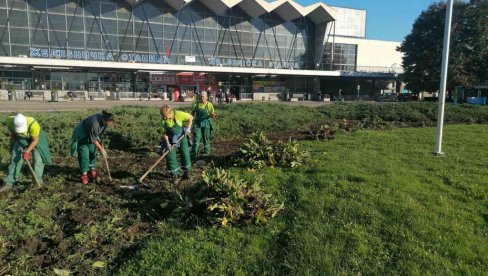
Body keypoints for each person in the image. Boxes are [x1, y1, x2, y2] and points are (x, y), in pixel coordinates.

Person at [1, 114, 52, 192]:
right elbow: (12, 131)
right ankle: (9, 182)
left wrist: (27, 151)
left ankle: (37, 181)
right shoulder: (9, 121)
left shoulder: (33, 125)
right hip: (20, 138)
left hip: (36, 139)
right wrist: (14, 136)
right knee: (15, 159)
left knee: (38, 160)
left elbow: (34, 141)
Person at [70, 110, 114, 185]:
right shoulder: (94, 123)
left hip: (91, 134)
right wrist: (101, 150)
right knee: (84, 155)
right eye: (107, 124)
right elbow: (93, 139)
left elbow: (99, 134)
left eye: (110, 124)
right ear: (104, 120)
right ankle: (84, 175)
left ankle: (92, 171)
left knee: (92, 152)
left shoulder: (105, 123)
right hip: (82, 134)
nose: (108, 126)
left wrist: (101, 145)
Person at [160, 105, 193, 182]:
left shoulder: (178, 114)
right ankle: (175, 175)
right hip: (170, 138)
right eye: (163, 116)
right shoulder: (163, 120)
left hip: (181, 136)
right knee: (170, 155)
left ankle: (186, 173)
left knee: (185, 153)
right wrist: (168, 144)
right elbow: (164, 133)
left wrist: (188, 128)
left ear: (170, 113)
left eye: (165, 116)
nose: (164, 118)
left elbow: (191, 117)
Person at [191, 91, 216, 160]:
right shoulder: (197, 104)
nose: (202, 98)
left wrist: (213, 116)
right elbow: (192, 113)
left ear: (206, 97)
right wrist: (190, 119)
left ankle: (207, 153)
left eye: (203, 96)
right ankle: (193, 153)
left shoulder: (209, 104)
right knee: (196, 138)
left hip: (206, 123)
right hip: (197, 123)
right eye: (201, 96)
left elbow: (213, 114)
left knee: (206, 138)